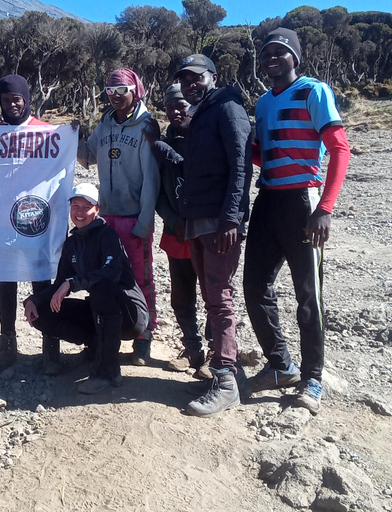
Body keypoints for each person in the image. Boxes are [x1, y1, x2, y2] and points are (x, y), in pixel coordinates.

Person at [244, 28, 350, 415]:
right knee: (255, 287)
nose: (272, 56)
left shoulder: (313, 92)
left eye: (280, 51)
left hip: (302, 202)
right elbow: (266, 156)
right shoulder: (261, 103)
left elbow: (339, 148)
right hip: (267, 200)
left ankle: (313, 378)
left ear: (295, 58)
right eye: (267, 51)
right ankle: (280, 366)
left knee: (309, 296)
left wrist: (325, 208)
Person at [175, 54, 253, 417]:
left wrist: (232, 219)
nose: (190, 83)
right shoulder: (203, 113)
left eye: (196, 77)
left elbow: (241, 166)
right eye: (184, 79)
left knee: (219, 297)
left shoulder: (228, 108)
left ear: (213, 76)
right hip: (198, 220)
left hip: (219, 223)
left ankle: (225, 383)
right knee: (211, 296)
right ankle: (221, 368)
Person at [24, 183, 148, 394]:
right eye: (75, 206)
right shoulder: (72, 243)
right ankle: (98, 347)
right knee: (42, 313)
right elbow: (59, 284)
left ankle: (107, 371)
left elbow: (111, 273)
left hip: (129, 315)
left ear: (97, 210)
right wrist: (33, 301)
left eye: (87, 206)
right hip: (99, 313)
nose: (80, 212)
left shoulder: (108, 235)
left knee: (102, 287)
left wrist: (72, 283)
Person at [75, 68, 160, 366]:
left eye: (121, 91)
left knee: (140, 277)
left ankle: (144, 336)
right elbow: (88, 158)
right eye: (110, 92)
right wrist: (75, 135)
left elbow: (152, 178)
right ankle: (104, 335)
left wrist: (145, 222)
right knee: (104, 279)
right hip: (106, 217)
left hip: (134, 216)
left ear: (135, 90)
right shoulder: (106, 124)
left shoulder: (146, 125)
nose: (115, 97)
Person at [0, 74, 58, 375]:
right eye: (5, 99)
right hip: (1, 225)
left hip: (37, 223)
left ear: (27, 100)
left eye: (17, 99)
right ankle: (7, 344)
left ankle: (50, 347)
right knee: (6, 287)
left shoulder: (47, 132)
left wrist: (72, 134)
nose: (12, 104)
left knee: (43, 284)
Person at [144, 84, 213, 379]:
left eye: (181, 105)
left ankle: (216, 352)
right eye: (170, 106)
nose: (175, 111)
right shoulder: (161, 145)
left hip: (207, 233)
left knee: (214, 295)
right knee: (181, 296)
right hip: (177, 233)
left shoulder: (208, 139)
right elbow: (158, 193)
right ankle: (192, 347)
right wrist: (172, 220)